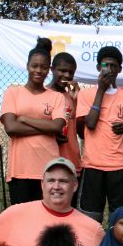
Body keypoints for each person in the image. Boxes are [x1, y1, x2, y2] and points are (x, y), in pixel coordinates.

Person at [0, 38, 69, 205]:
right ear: (27, 66)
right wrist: (47, 128)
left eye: (44, 67)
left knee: (46, 221)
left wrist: (25, 119)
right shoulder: (13, 93)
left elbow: (58, 126)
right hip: (20, 171)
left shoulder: (57, 97)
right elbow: (11, 127)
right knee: (22, 220)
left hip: (48, 171)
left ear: (49, 70)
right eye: (34, 66)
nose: (39, 70)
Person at [75, 46, 123, 221]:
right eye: (105, 65)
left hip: (120, 167)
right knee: (89, 217)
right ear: (98, 68)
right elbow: (90, 123)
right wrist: (101, 90)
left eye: (113, 66)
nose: (109, 70)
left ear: (119, 69)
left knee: (121, 218)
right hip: (93, 166)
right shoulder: (86, 94)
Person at [48, 52, 83, 202]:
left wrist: (78, 101)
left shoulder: (73, 96)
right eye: (62, 71)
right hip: (49, 161)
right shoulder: (44, 94)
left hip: (72, 161)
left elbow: (82, 132)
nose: (66, 75)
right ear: (52, 69)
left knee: (70, 210)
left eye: (71, 72)